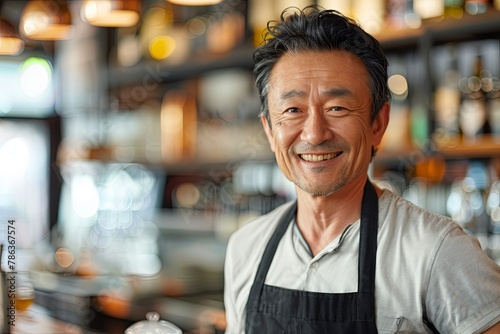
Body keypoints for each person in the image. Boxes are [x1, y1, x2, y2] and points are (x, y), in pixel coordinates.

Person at [223, 6, 500, 334]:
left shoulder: (436, 250)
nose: (314, 133)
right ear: (270, 130)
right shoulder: (247, 247)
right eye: (293, 110)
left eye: (337, 107)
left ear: (378, 124)